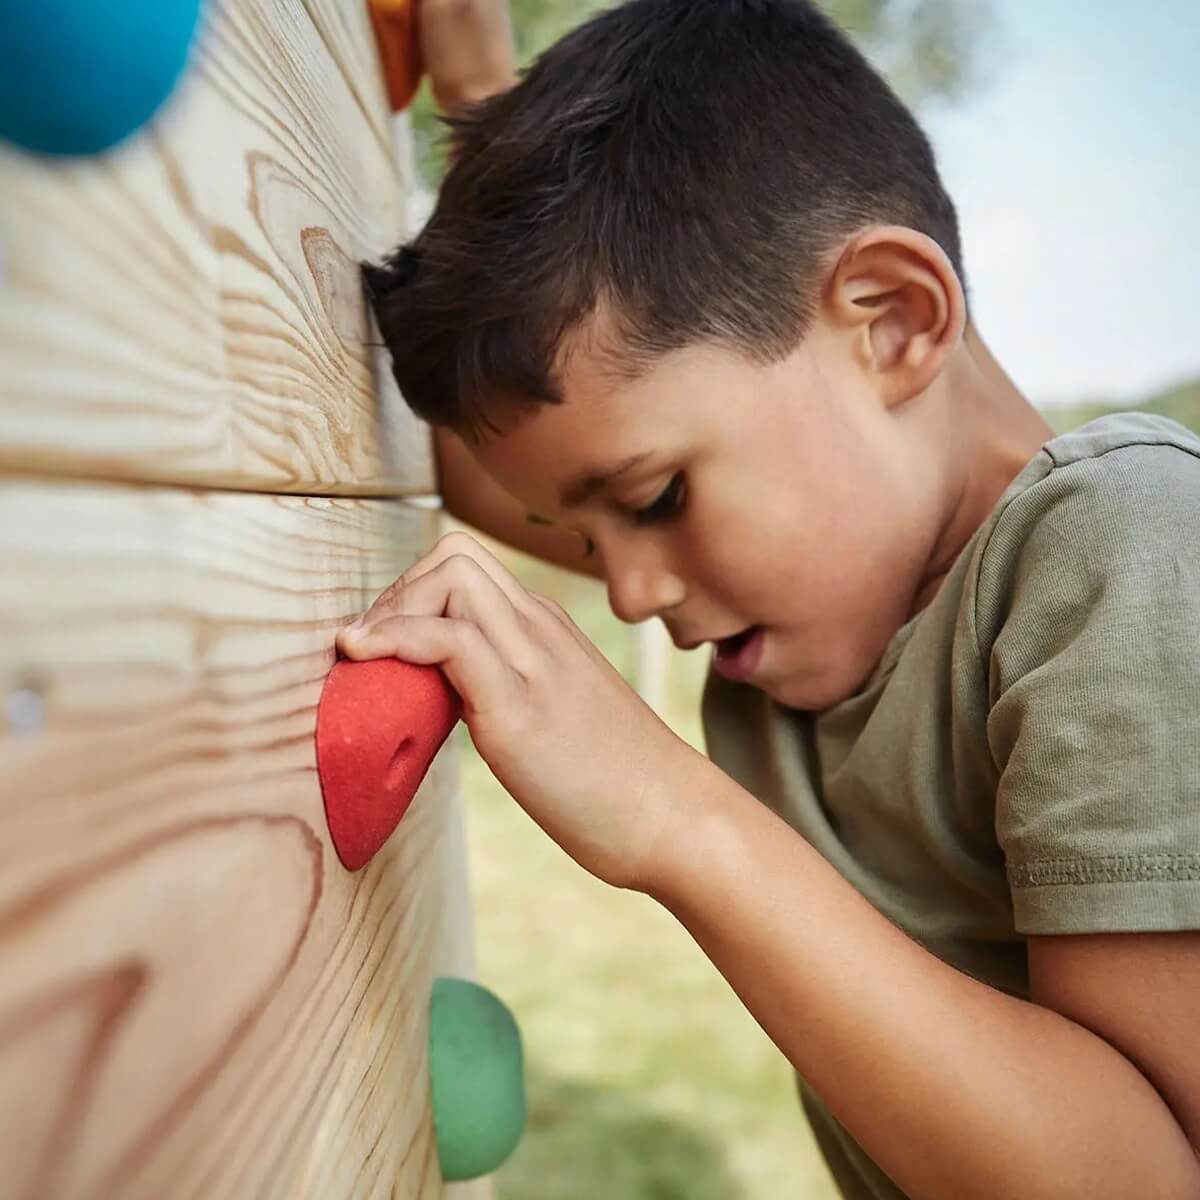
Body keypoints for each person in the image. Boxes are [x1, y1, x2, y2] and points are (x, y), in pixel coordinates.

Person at [345, 3, 1200, 1196]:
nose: (631, 592)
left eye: (654, 497)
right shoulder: (824, 572)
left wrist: (679, 820)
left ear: (894, 321)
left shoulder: (1123, 547)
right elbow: (469, 452)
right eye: (576, 531)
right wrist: (481, 101)